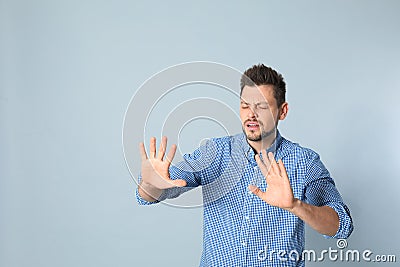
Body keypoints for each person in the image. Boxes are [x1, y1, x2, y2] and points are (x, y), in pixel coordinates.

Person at [136, 64, 353, 266]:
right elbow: (154, 193)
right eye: (245, 106)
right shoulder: (215, 152)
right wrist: (150, 184)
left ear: (282, 111)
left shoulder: (304, 162)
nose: (251, 114)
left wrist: (295, 205)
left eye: (262, 106)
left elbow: (341, 226)